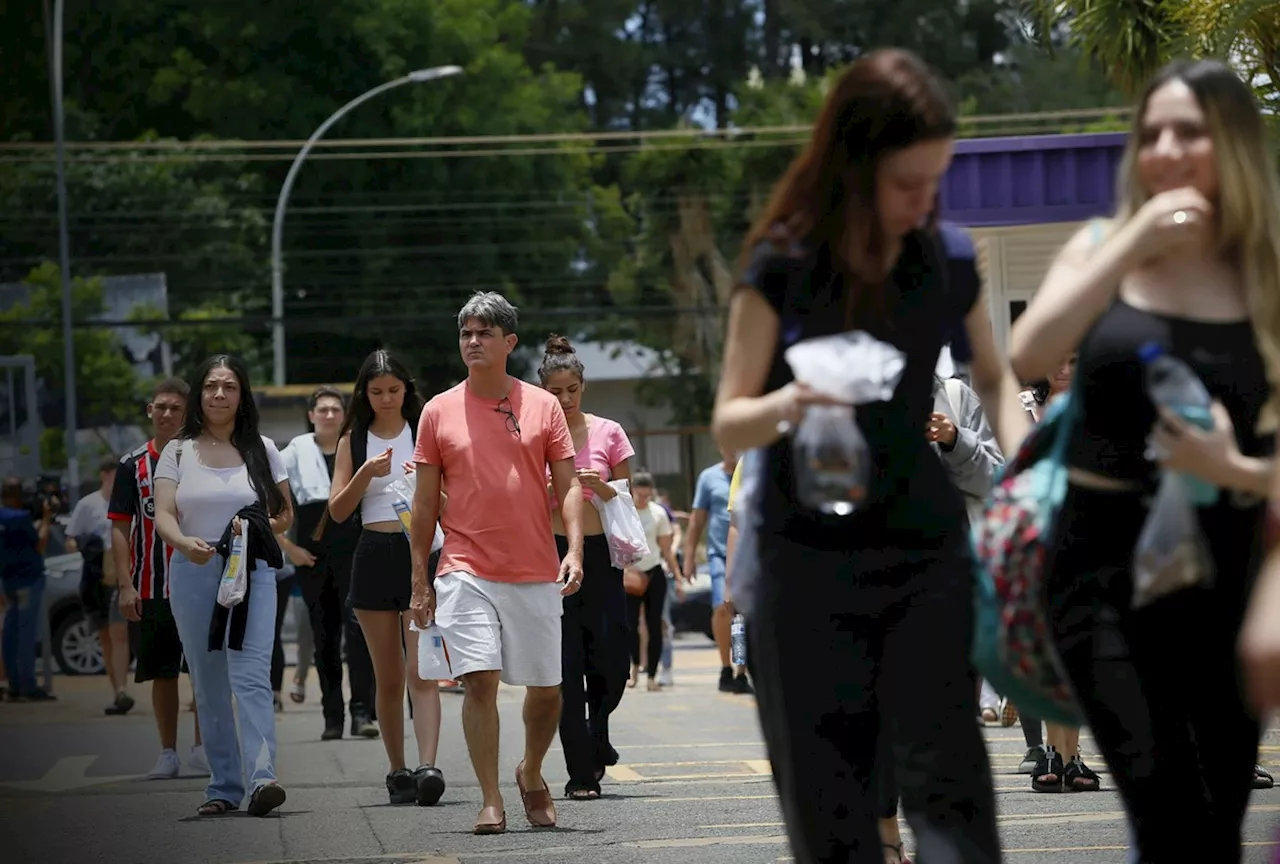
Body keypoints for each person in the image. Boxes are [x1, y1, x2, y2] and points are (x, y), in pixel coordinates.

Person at [711, 48, 1030, 864]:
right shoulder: (779, 263)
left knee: (955, 804)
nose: (924, 203)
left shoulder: (945, 259)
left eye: (936, 183)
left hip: (924, 554)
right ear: (852, 166)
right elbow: (729, 423)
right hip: (803, 563)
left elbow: (994, 381)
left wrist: (1029, 477)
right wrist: (791, 402)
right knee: (833, 821)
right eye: (905, 185)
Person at [1009, 59, 1280, 861]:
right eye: (1151, 132)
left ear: (1231, 143)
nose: (1165, 149)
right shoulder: (1103, 246)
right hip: (1101, 574)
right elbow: (1033, 348)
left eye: (1189, 132)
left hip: (1229, 567)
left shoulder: (1265, 271)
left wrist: (1238, 472)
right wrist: (1131, 239)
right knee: (1167, 818)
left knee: (1218, 824)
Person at [408, 291, 584, 835]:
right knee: (479, 681)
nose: (473, 342)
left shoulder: (543, 404)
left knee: (547, 691)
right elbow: (423, 503)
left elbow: (569, 484)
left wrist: (574, 548)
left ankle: (530, 771)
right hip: (463, 566)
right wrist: (420, 578)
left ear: (509, 342)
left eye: (484, 333)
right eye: (466, 333)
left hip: (534, 567)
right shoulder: (437, 411)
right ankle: (490, 800)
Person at [154, 354, 292, 818]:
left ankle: (262, 777)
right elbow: (165, 515)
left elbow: (285, 513)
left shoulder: (264, 448)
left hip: (251, 571)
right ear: (199, 394)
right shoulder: (176, 450)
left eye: (229, 386)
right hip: (193, 570)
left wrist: (257, 529)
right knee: (209, 682)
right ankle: (223, 785)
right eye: (211, 386)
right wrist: (184, 543)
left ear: (242, 394)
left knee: (251, 674)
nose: (219, 394)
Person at [327, 351, 445, 806]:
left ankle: (428, 765)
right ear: (365, 394)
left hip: (420, 551)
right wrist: (363, 474)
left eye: (394, 390)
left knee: (423, 671)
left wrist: (427, 484)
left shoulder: (425, 432)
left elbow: (451, 501)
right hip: (373, 552)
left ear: (406, 389)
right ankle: (397, 769)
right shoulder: (353, 440)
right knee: (388, 677)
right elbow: (338, 511)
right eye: (376, 392)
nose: (386, 399)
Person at [538, 333, 633, 800]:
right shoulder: (534, 434)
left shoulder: (609, 431)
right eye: (555, 392)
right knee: (565, 665)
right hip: (552, 555)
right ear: (543, 391)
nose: (564, 399)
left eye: (571, 390)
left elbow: (631, 496)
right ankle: (580, 771)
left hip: (603, 555)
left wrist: (605, 486)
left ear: (582, 387)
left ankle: (599, 730)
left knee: (613, 661)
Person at [108, 377, 208, 778]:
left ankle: (204, 746)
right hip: (152, 584)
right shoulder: (131, 465)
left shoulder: (204, 458)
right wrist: (125, 584)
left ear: (188, 414)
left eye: (175, 408)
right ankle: (168, 752)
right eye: (160, 407)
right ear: (149, 410)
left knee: (204, 667)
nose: (167, 414)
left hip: (202, 580)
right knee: (161, 670)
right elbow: (119, 526)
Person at [277, 385, 379, 742]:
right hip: (312, 557)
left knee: (360, 633)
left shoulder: (357, 445)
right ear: (311, 415)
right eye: (323, 409)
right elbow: (267, 503)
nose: (330, 415)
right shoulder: (294, 451)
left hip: (355, 551)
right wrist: (288, 548)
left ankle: (363, 712)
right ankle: (332, 717)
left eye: (336, 409)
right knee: (324, 637)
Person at [67, 455, 134, 716]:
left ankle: (122, 691)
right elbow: (70, 540)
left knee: (119, 634)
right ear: (104, 475)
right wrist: (87, 545)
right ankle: (117, 689)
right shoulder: (88, 504)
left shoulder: (127, 500)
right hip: (96, 577)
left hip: (120, 575)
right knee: (105, 637)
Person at [682, 451, 751, 694]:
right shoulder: (709, 478)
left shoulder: (758, 464)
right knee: (723, 607)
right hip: (720, 553)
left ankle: (741, 671)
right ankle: (725, 667)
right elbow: (697, 520)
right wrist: (689, 557)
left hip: (752, 554)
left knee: (743, 616)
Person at [628, 471, 683, 693]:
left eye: (646, 495)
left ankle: (652, 675)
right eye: (638, 495)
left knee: (654, 625)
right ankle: (634, 669)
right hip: (630, 573)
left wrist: (678, 578)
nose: (642, 499)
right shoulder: (624, 511)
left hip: (653, 572)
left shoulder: (658, 513)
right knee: (630, 625)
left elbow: (667, 550)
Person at [0, 478, 53, 702]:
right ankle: (28, 686)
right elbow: (39, 544)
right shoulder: (20, 518)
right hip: (27, 581)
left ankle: (13, 684)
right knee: (26, 633)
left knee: (11, 634)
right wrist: (47, 520)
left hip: (8, 581)